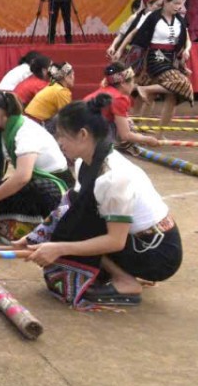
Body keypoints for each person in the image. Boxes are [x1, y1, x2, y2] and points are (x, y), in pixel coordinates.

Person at [16, 96, 182, 308]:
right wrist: (36, 236)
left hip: (157, 253)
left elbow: (115, 242)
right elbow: (69, 206)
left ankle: (126, 281)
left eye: (63, 136)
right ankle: (120, 271)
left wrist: (59, 248)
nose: (59, 143)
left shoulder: (113, 177)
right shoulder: (84, 162)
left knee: (75, 230)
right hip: (141, 242)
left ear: (83, 135)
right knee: (74, 219)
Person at [0, 87, 72, 242]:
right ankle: (17, 223)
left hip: (55, 186)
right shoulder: (1, 132)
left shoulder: (24, 132)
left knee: (14, 193)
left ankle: (37, 228)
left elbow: (22, 177)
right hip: (35, 180)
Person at [119, 0, 193, 125]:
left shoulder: (180, 20)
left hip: (171, 58)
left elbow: (183, 41)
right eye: (175, 3)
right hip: (155, 56)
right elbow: (137, 36)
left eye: (181, 4)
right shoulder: (153, 17)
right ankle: (143, 90)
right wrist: (121, 51)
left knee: (172, 95)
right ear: (165, 2)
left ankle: (156, 131)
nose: (179, 7)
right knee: (182, 83)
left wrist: (185, 52)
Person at [82, 63, 160, 149]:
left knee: (126, 121)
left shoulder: (105, 90)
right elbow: (125, 135)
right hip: (84, 136)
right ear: (123, 83)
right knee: (126, 126)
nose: (134, 85)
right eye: (132, 81)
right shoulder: (119, 98)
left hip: (78, 129)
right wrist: (148, 139)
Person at [23, 62, 75, 130]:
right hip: (36, 124)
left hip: (28, 121)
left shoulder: (53, 86)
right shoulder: (61, 91)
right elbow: (67, 115)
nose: (74, 78)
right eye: (73, 74)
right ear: (66, 77)